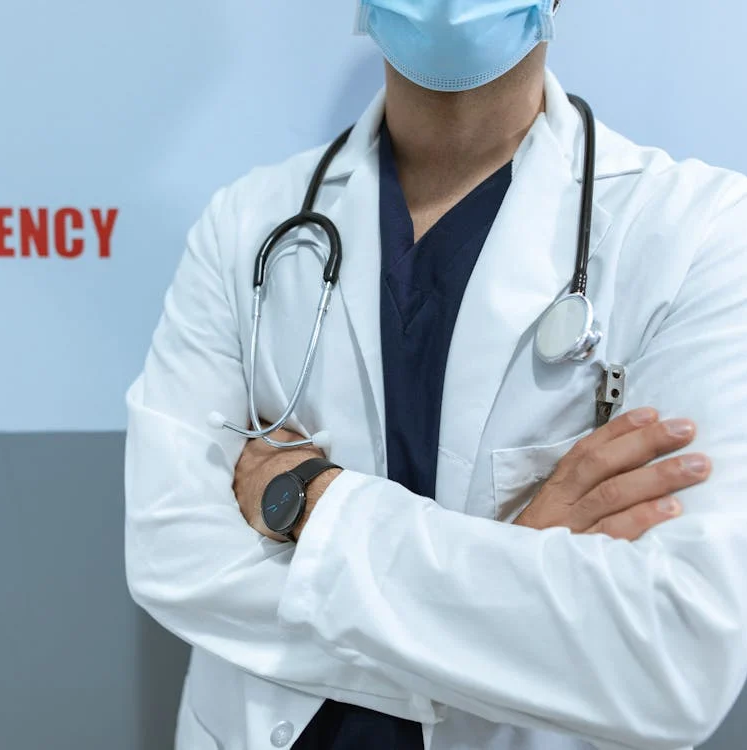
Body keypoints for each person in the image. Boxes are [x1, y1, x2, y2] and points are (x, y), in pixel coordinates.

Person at [124, 1, 747, 748]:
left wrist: (312, 503)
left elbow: (670, 661)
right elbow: (173, 557)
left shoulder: (700, 233)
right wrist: (514, 587)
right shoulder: (245, 224)